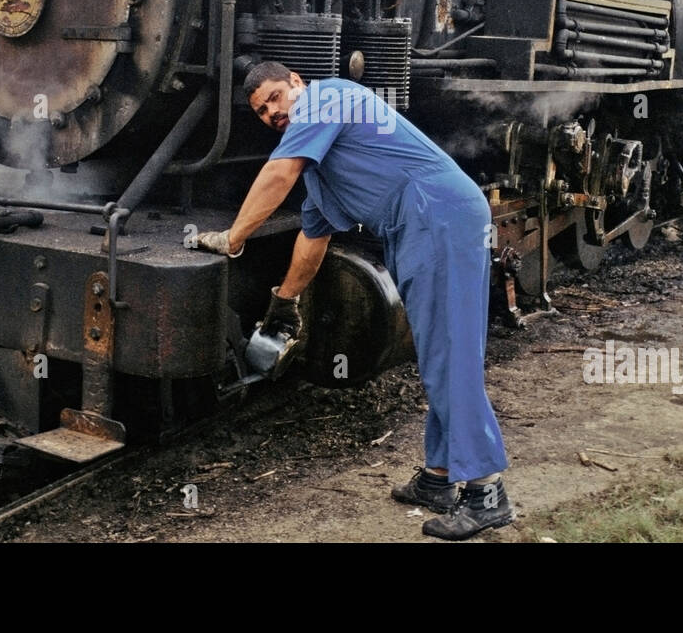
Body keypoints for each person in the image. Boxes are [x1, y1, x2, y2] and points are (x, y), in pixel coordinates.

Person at [191, 61, 513, 540]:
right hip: (418, 225)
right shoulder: (325, 168)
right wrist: (285, 301)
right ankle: (440, 478)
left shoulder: (326, 98)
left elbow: (279, 174)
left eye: (276, 97)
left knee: (451, 352)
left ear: (297, 82)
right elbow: (312, 238)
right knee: (437, 352)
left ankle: (488, 492)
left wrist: (233, 238)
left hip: (436, 214)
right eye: (261, 111)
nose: (272, 113)